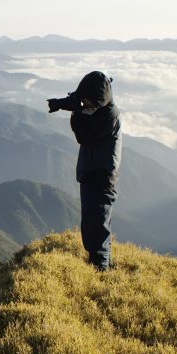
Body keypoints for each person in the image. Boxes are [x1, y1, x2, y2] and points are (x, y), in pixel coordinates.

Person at [47, 71, 122, 271]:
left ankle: (101, 271)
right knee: (92, 223)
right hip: (93, 173)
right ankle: (98, 263)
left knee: (98, 225)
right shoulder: (102, 110)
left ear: (99, 99)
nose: (86, 105)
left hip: (102, 176)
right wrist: (73, 104)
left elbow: (84, 136)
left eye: (88, 102)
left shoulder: (109, 115)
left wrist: (75, 112)